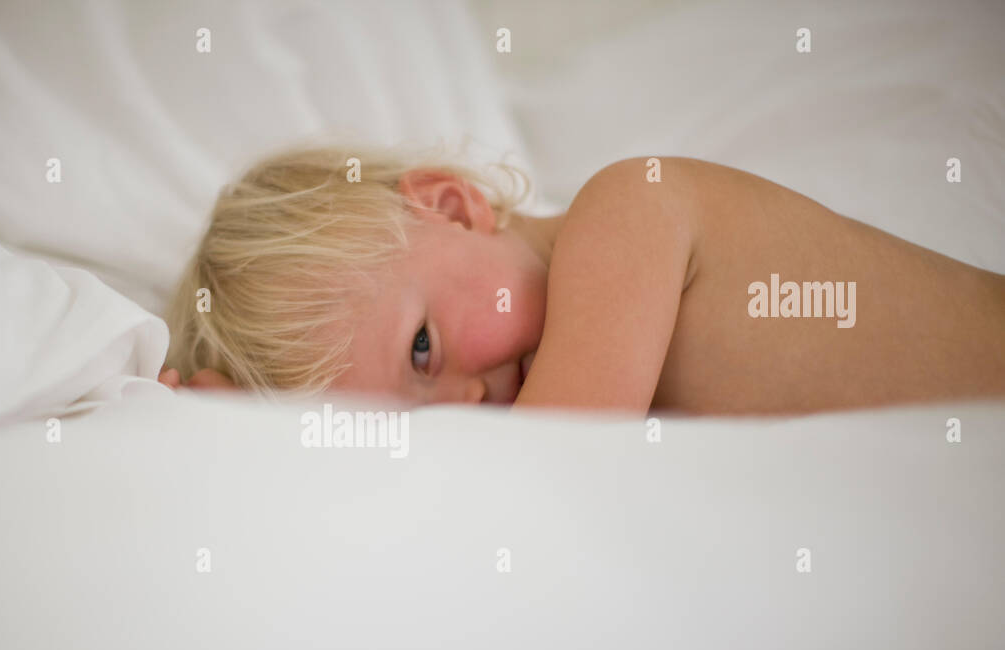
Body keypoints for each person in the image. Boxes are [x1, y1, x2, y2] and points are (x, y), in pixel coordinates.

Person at [160, 146, 1005, 416]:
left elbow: (547, 478)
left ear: (453, 204)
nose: (464, 409)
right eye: (413, 423)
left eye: (423, 350)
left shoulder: (626, 216)